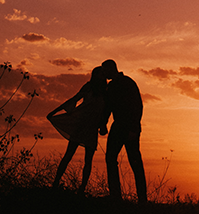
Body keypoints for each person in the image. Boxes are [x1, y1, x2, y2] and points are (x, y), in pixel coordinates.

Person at [46, 66, 107, 191]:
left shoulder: (106, 91)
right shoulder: (88, 87)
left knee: (88, 160)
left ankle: (82, 189)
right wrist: (54, 111)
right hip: (81, 124)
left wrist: (103, 124)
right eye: (100, 73)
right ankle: (56, 182)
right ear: (95, 75)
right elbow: (74, 100)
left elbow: (106, 111)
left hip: (92, 127)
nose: (102, 75)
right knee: (69, 154)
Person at [100, 58, 147, 203]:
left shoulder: (128, 83)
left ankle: (142, 199)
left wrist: (134, 128)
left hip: (129, 127)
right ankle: (115, 196)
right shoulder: (111, 87)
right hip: (118, 126)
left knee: (135, 161)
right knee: (110, 158)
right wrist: (103, 124)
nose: (104, 73)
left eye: (105, 70)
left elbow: (137, 106)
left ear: (111, 69)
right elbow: (108, 107)